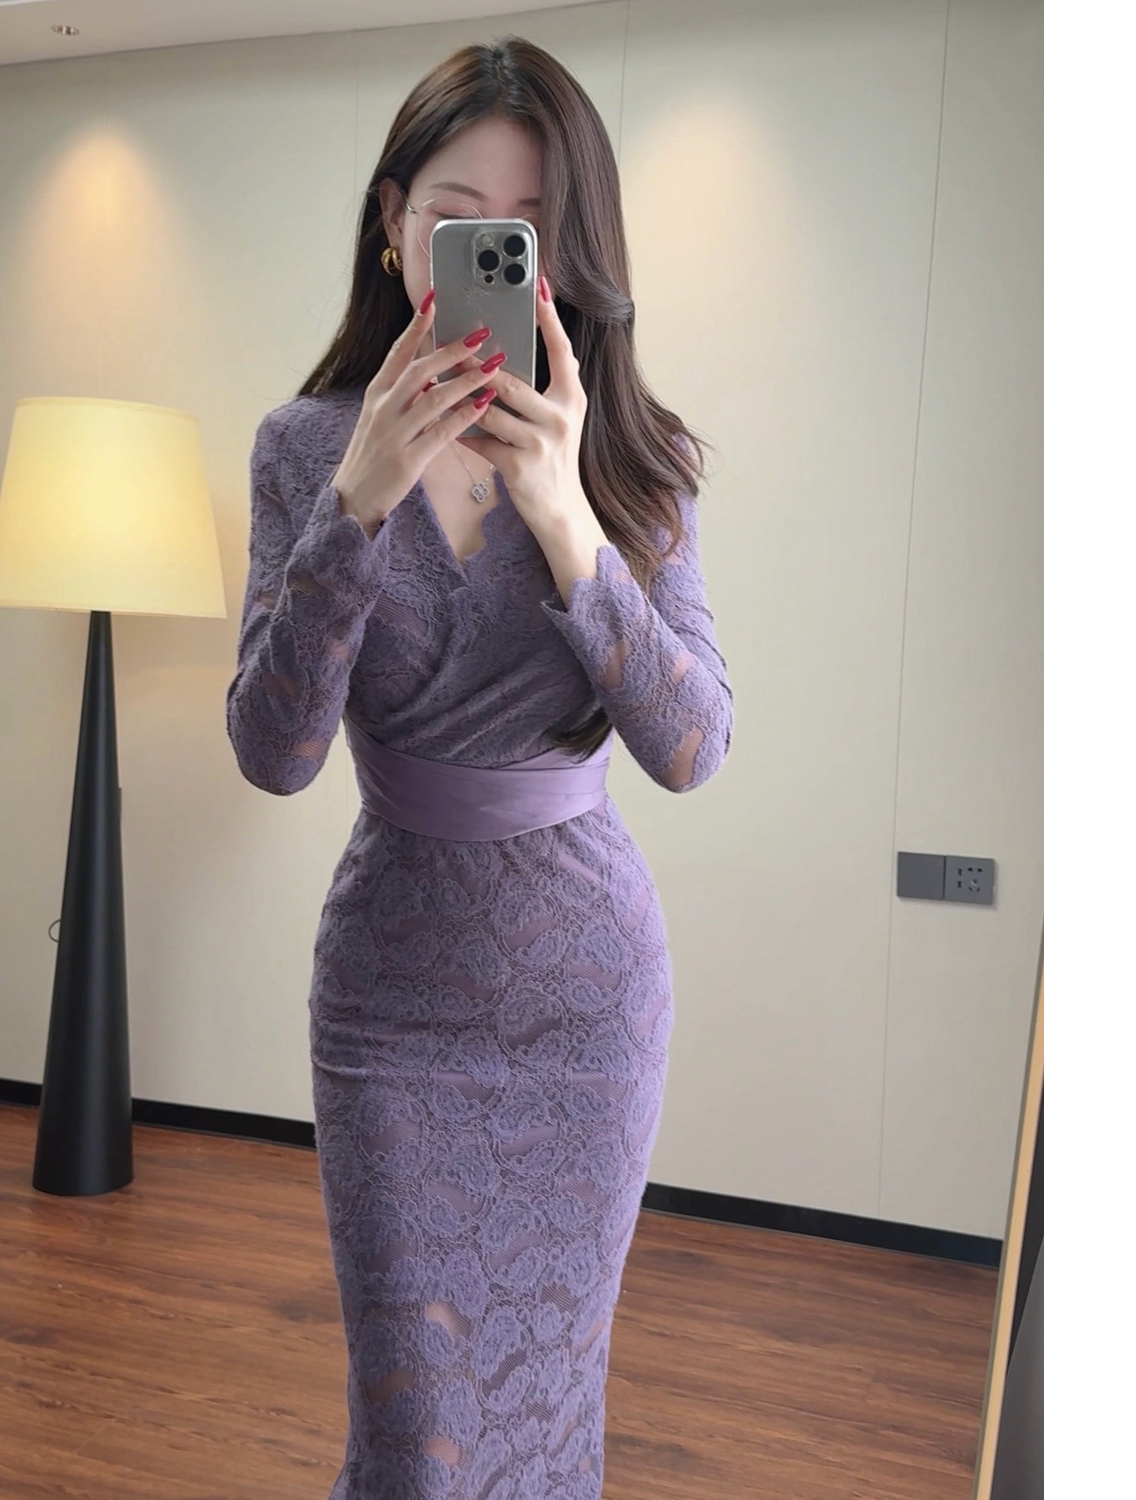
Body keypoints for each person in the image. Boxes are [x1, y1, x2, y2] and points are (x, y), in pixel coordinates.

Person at [226, 35, 733, 1500]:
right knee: (417, 1434)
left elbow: (693, 746)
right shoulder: (302, 450)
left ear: (571, 260)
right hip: (392, 1008)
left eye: (529, 233)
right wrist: (357, 506)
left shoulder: (637, 461)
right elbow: (274, 753)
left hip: (587, 1009)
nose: (495, 260)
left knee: (550, 1408)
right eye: (459, 222)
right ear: (395, 227)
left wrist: (566, 518)